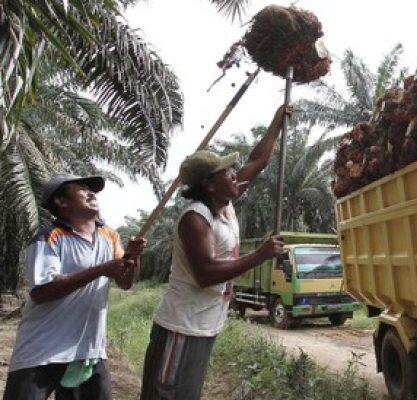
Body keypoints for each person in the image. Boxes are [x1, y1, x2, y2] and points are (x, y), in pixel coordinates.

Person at [139, 105, 290, 400]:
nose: (235, 176)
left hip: (204, 325)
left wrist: (277, 120)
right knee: (165, 394)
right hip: (181, 327)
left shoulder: (224, 205)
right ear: (208, 184)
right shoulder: (196, 218)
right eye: (227, 173)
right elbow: (205, 274)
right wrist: (258, 255)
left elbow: (257, 160)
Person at [3, 174, 147, 400]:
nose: (91, 193)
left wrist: (133, 257)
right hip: (41, 350)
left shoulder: (109, 235)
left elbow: (124, 282)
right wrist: (101, 269)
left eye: (92, 190)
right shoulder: (49, 238)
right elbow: (42, 292)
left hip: (88, 351)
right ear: (62, 202)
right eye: (82, 189)